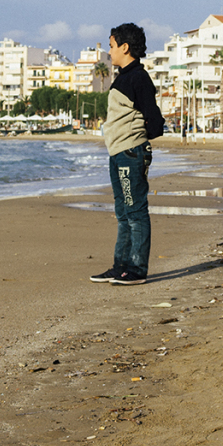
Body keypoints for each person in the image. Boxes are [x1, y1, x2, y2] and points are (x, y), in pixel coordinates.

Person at [90, 23, 164, 286]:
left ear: (125, 47)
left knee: (135, 211)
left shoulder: (138, 77)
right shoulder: (123, 76)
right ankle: (120, 266)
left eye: (111, 46)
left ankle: (136, 269)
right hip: (119, 151)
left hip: (131, 152)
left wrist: (138, 139)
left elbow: (154, 120)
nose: (110, 52)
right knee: (123, 212)